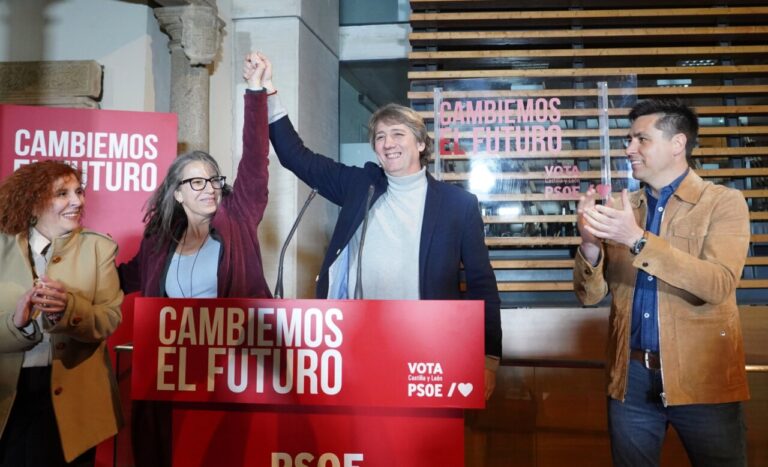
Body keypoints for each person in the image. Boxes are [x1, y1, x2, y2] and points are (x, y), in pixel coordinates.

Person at [259, 52, 502, 399]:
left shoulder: (457, 206)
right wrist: (267, 90)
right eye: (380, 136)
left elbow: (481, 283)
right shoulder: (360, 186)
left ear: (420, 143)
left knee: (422, 445)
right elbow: (295, 156)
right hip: (357, 344)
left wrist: (488, 357)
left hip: (428, 350)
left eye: (398, 134)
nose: (388, 143)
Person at [574, 98, 750, 466]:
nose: (629, 148)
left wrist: (637, 240)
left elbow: (718, 284)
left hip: (704, 376)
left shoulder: (723, 203)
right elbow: (591, 296)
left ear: (677, 144)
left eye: (641, 139)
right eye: (628, 139)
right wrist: (590, 246)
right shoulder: (627, 208)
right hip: (631, 378)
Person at [118, 52, 272, 467]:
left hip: (233, 375)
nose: (209, 188)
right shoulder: (156, 242)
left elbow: (255, 163)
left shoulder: (238, 218)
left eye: (214, 180)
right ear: (177, 192)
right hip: (171, 375)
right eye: (197, 181)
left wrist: (255, 92)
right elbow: (120, 280)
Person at [0, 161, 123, 466]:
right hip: (9, 399)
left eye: (79, 191)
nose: (77, 201)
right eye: (62, 193)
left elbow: (109, 319)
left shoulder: (99, 248)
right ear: (34, 199)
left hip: (74, 404)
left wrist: (68, 310)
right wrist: (18, 323)